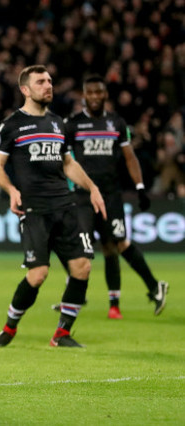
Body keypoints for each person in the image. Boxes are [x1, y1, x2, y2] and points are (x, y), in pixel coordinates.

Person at [0, 65, 106, 348]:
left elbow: (68, 163)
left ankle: (62, 333)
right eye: (41, 82)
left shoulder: (57, 123)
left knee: (82, 268)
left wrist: (92, 187)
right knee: (38, 274)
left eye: (50, 80)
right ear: (25, 89)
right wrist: (11, 189)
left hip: (65, 205)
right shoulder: (12, 125)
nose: (48, 85)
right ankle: (9, 329)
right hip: (35, 209)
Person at [64, 75, 168, 318]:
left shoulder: (117, 123)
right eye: (91, 92)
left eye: (100, 92)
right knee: (80, 246)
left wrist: (140, 186)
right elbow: (65, 159)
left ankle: (140, 293)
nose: (96, 97)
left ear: (106, 94)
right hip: (83, 195)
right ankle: (75, 296)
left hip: (111, 195)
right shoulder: (73, 124)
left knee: (115, 245)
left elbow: (130, 157)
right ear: (84, 96)